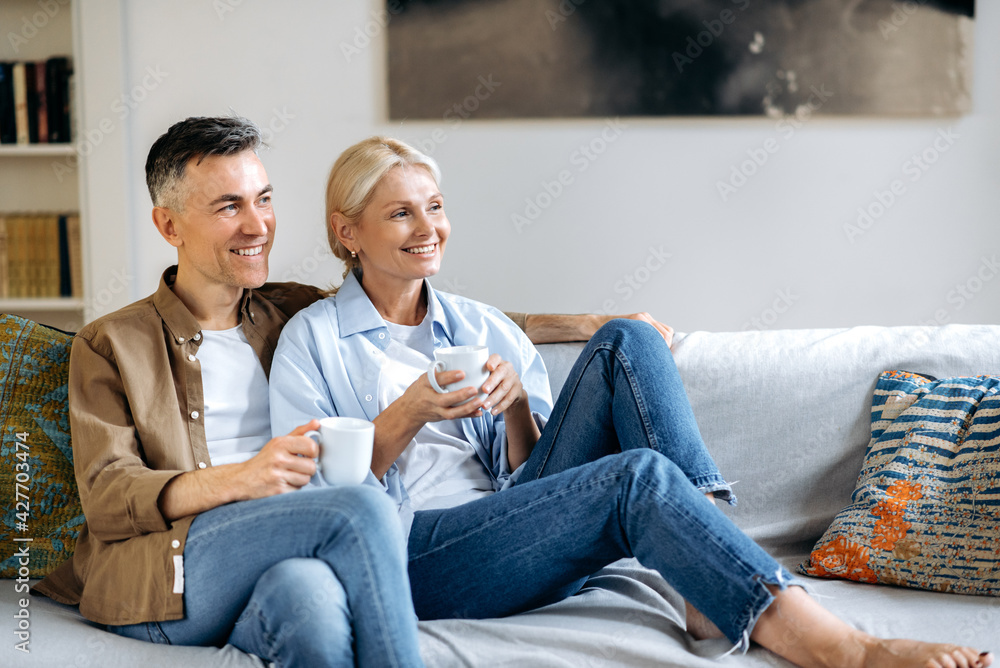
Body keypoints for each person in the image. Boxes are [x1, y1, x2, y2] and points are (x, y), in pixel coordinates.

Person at [268, 135, 994, 668]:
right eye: (401, 214)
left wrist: (517, 403)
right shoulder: (315, 340)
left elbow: (528, 480)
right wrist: (409, 413)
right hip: (412, 551)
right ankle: (846, 649)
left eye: (434, 206)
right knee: (638, 476)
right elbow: (319, 502)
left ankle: (711, 561)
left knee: (626, 337)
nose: (429, 230)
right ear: (346, 230)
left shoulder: (481, 325)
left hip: (512, 532)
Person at [29, 115, 655, 667]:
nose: (258, 225)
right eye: (228, 207)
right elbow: (110, 496)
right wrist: (246, 478)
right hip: (175, 566)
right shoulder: (112, 343)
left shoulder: (286, 312)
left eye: (264, 198)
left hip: (294, 550)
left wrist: (588, 326)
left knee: (312, 606)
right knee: (364, 504)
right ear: (170, 224)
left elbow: (412, 301)